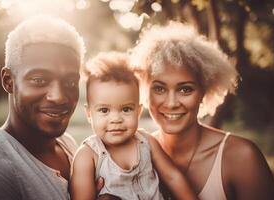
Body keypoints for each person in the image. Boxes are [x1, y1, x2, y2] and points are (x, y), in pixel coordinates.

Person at [130, 22, 274, 200]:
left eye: (185, 89)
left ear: (204, 91)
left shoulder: (241, 157)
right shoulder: (134, 154)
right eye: (160, 89)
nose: (171, 103)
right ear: (145, 91)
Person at [0, 15, 84, 199]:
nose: (59, 97)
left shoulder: (67, 144)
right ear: (8, 81)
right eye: (39, 80)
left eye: (70, 82)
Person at [70, 52, 197, 200]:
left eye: (126, 109)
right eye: (104, 110)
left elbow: (172, 177)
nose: (116, 119)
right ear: (89, 113)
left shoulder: (146, 142)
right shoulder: (88, 156)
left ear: (138, 111)